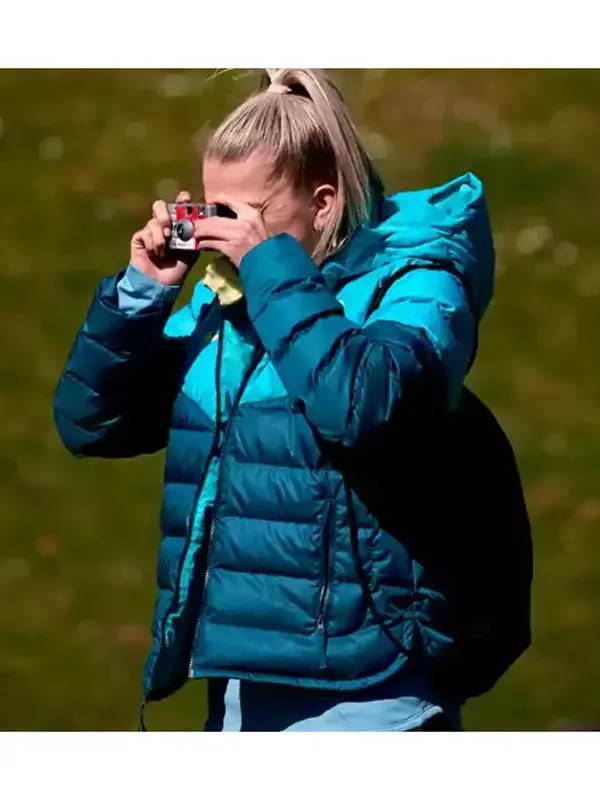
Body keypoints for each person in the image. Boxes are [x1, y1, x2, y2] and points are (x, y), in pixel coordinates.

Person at [54, 68, 532, 732]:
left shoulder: (420, 283)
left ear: (325, 203)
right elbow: (91, 423)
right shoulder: (224, 303)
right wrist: (142, 292)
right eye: (212, 209)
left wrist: (268, 265)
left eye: (244, 215)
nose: (221, 234)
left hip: (372, 692)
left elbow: (361, 403)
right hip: (238, 690)